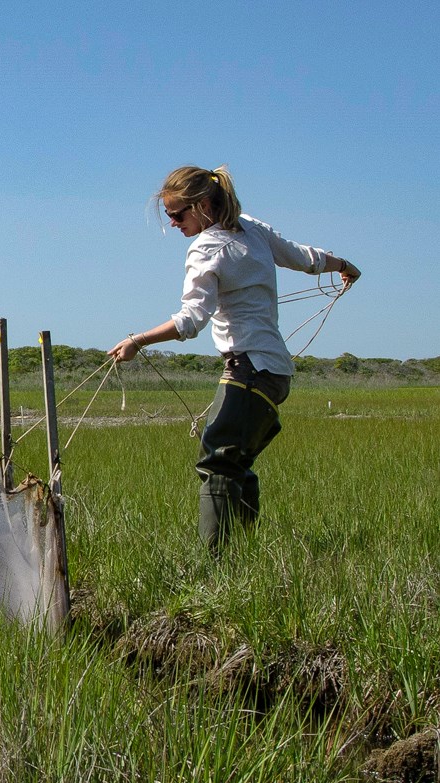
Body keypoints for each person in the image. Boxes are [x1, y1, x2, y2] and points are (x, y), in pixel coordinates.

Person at [108, 165, 361, 553]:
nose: (173, 224)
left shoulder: (206, 247)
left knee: (217, 465)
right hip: (275, 373)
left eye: (178, 214)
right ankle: (245, 555)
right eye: (169, 216)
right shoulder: (252, 228)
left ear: (205, 205)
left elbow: (191, 319)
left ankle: (216, 565)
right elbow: (304, 257)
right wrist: (342, 264)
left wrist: (137, 341)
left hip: (248, 370)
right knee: (235, 462)